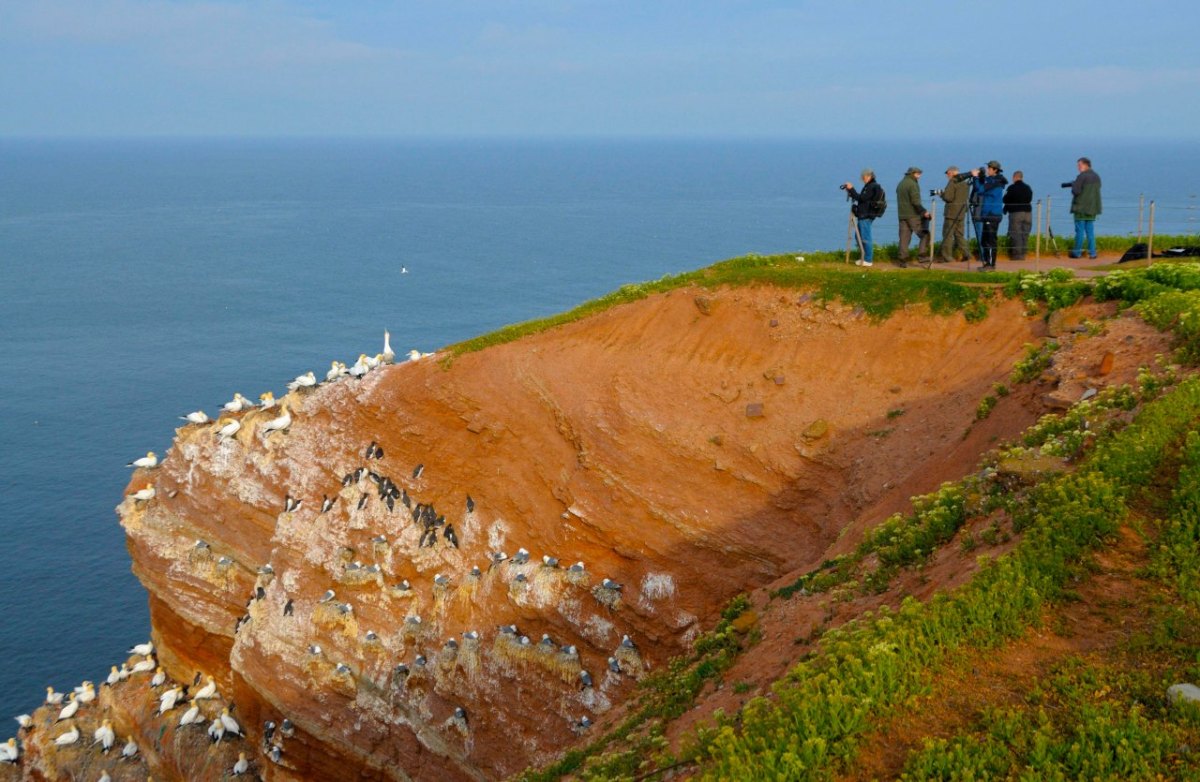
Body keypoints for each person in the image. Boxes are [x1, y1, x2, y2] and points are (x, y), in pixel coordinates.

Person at [843, 169, 885, 267]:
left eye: (864, 177)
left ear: (869, 176)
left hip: (866, 215)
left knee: (865, 237)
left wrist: (852, 189)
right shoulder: (871, 186)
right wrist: (850, 191)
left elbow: (862, 198)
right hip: (864, 214)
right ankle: (864, 256)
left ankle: (868, 259)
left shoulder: (871, 187)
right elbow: (861, 197)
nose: (862, 179)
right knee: (859, 237)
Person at [971, 161, 1008, 270]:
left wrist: (975, 178)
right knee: (984, 240)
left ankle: (991, 265)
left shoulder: (996, 182)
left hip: (992, 214)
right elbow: (983, 186)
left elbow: (981, 190)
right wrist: (980, 177)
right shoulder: (993, 181)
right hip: (989, 214)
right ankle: (987, 263)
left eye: (989, 168)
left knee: (990, 240)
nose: (987, 170)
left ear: (995, 170)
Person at [1067, 157, 1102, 259]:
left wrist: (1074, 185)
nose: (1078, 167)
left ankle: (1077, 253)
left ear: (1086, 165)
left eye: (1080, 165)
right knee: (1090, 232)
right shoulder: (1096, 177)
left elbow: (1076, 191)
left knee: (1080, 232)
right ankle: (1093, 253)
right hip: (1092, 208)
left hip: (1080, 208)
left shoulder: (1082, 176)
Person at [896, 166, 930, 267]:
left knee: (904, 239)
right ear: (912, 174)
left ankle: (902, 261)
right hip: (913, 215)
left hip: (902, 215)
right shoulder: (913, 184)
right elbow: (915, 202)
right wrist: (924, 212)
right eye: (918, 174)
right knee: (925, 234)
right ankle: (922, 256)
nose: (919, 177)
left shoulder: (900, 184)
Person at [939, 166, 972, 263]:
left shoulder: (952, 182)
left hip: (951, 213)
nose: (947, 175)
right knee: (959, 235)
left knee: (947, 235)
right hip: (961, 212)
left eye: (948, 173)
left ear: (952, 173)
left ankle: (947, 257)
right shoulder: (965, 184)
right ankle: (967, 254)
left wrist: (942, 194)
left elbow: (948, 198)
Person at [1003, 170, 1033, 260]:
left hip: (1016, 213)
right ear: (1022, 177)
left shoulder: (1011, 188)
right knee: (1025, 234)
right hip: (1028, 213)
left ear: (1014, 177)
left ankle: (1017, 255)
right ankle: (1023, 253)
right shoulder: (1028, 188)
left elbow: (1005, 199)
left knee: (1016, 234)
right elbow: (1030, 198)